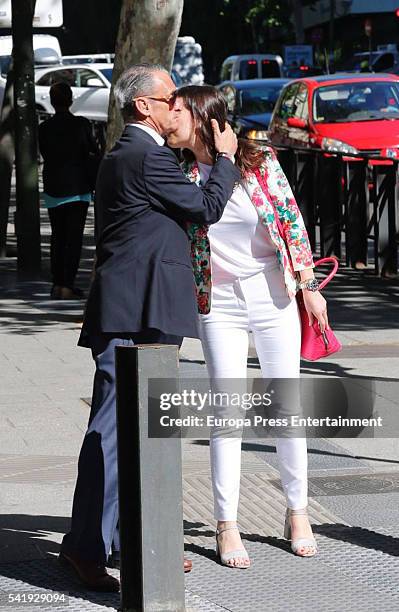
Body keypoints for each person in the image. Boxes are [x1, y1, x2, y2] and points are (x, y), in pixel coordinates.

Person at [59, 65, 239, 591]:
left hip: (141, 308)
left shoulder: (134, 154)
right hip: (135, 313)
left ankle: (133, 542)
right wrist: (224, 158)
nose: (174, 104)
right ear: (144, 106)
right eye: (169, 98)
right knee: (113, 432)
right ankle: (88, 545)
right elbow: (206, 208)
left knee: (134, 433)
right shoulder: (145, 155)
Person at [167, 85, 328, 568]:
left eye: (178, 113)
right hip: (217, 302)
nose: (170, 121)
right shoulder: (180, 173)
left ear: (202, 118)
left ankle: (297, 512)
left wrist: (308, 285)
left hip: (273, 295)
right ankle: (226, 523)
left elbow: (290, 221)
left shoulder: (259, 161)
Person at [38, 82, 98, 300]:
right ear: (71, 100)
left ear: (52, 102)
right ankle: (67, 284)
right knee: (73, 238)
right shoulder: (81, 124)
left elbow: (44, 153)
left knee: (58, 236)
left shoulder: (43, 128)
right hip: (77, 187)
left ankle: (57, 282)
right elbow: (91, 151)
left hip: (54, 187)